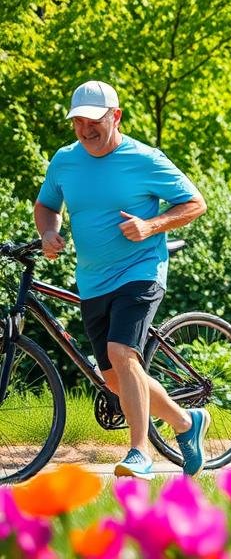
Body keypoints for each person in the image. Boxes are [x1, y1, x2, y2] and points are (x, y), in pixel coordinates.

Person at [34, 81, 210, 480]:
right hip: (93, 280)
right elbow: (46, 205)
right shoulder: (65, 161)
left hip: (140, 269)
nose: (85, 129)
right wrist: (48, 232)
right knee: (113, 375)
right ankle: (186, 422)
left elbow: (195, 203)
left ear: (116, 117)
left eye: (94, 120)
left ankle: (139, 451)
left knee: (122, 351)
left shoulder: (145, 159)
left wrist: (151, 225)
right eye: (78, 121)